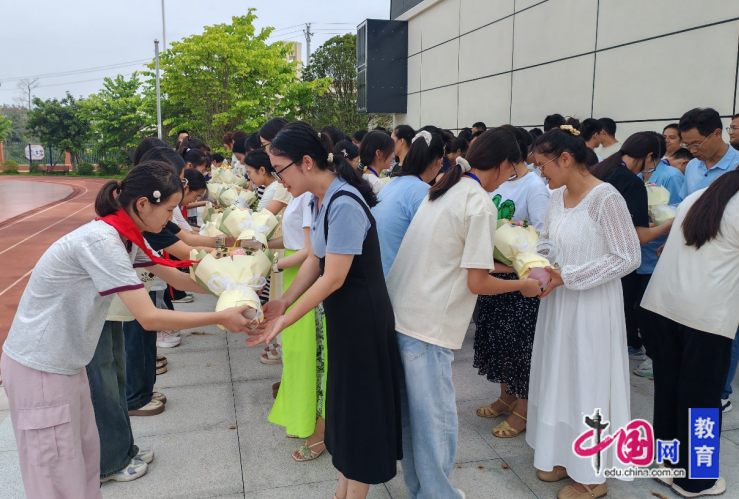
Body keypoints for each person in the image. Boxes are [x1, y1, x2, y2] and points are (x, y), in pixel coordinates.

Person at [1, 162, 253, 499]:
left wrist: (235, 288)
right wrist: (221, 317)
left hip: (66, 363)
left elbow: (176, 278)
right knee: (56, 471)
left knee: (84, 458)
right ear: (143, 204)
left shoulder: (124, 237)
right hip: (41, 367)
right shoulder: (102, 241)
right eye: (169, 210)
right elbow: (149, 317)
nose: (171, 218)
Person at [249, 121, 402, 499]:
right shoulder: (320, 198)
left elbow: (333, 277)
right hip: (345, 316)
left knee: (360, 407)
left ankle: (354, 492)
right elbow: (314, 260)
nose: (278, 179)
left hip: (362, 318)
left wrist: (287, 318)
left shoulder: (343, 202)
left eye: (280, 169)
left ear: (306, 162)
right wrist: (283, 301)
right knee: (344, 404)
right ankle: (342, 489)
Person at [387, 128, 542, 499]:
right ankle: (438, 494)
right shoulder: (479, 203)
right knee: (436, 423)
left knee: (414, 420)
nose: (510, 177)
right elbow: (478, 283)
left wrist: (512, 264)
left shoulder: (444, 188)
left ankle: (421, 489)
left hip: (402, 316)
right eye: (512, 170)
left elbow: (460, 261)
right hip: (428, 327)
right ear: (502, 164)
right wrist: (523, 285)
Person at [527, 127, 641, 499]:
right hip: (558, 302)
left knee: (587, 379)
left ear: (565, 159)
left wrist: (570, 276)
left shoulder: (606, 198)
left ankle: (592, 475)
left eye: (542, 165)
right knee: (560, 376)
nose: (540, 173)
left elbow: (628, 257)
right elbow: (547, 240)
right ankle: (562, 454)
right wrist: (534, 260)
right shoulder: (555, 196)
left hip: (592, 305)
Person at [641, 170, 739, 497]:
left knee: (668, 391)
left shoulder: (701, 195)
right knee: (702, 400)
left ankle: (667, 466)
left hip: (662, 307)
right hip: (705, 318)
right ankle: (695, 480)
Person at [474, 125, 550, 440]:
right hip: (494, 274)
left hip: (519, 280)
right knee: (499, 342)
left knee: (521, 347)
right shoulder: (498, 181)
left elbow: (543, 236)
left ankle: (524, 408)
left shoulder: (534, 186)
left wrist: (516, 244)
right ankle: (506, 396)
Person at [590, 132, 673, 361]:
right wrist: (667, 225)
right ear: (649, 156)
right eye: (655, 161)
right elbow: (638, 236)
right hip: (612, 263)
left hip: (590, 256)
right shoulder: (632, 182)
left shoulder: (600, 170)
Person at [372, 130, 443, 277]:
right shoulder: (422, 191)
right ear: (439, 162)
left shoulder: (391, 184)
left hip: (378, 274)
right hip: (399, 278)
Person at [678, 108, 739, 201]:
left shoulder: (736, 165)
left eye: (696, 144)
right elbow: (684, 202)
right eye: (687, 145)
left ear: (717, 134)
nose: (692, 150)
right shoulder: (692, 165)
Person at [358, 130, 393, 194]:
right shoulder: (378, 184)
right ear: (379, 154)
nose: (392, 156)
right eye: (390, 151)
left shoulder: (361, 176)